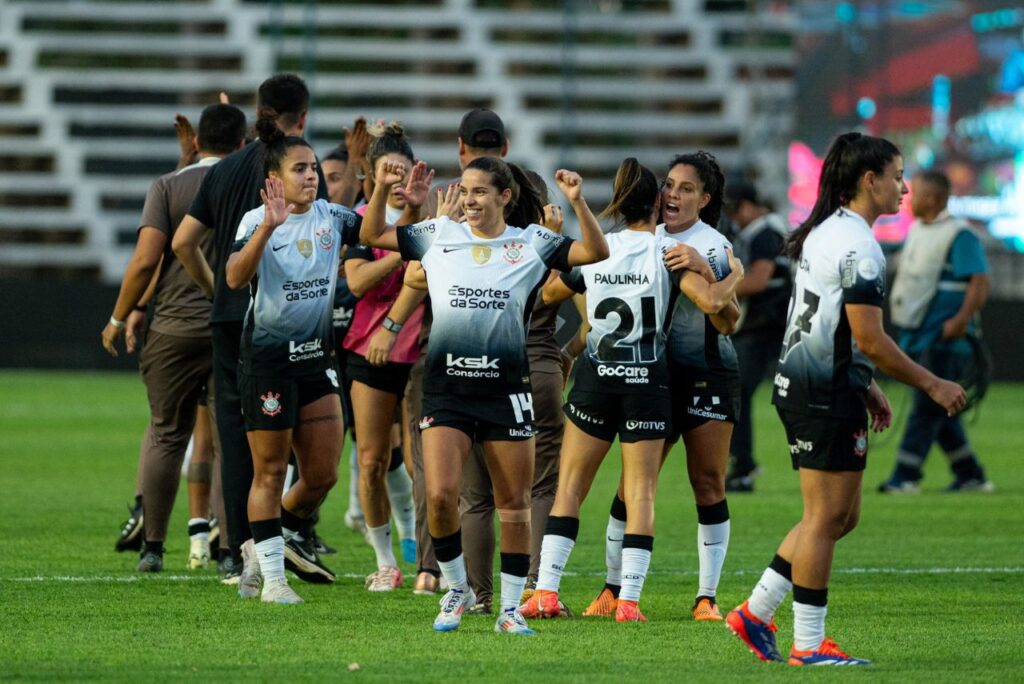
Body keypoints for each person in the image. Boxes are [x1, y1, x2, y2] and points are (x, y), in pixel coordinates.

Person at [725, 132, 966, 666]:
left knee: (839, 517)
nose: (904, 187)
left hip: (815, 381)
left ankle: (755, 612)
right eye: (898, 176)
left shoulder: (827, 231)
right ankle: (809, 645)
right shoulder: (860, 248)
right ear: (869, 180)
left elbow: (826, 324)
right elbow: (871, 340)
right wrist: (932, 383)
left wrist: (868, 386)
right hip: (822, 391)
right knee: (824, 518)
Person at [360, 156, 609, 635]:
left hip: (506, 394)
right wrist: (380, 188)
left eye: (479, 192)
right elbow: (372, 236)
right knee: (438, 496)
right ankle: (457, 589)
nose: (469, 201)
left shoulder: (531, 243)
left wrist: (578, 202)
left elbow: (594, 254)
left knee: (513, 505)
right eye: (465, 191)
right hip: (448, 392)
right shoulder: (438, 234)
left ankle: (511, 609)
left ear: (504, 196)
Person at [520, 158, 743, 623]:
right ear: (656, 198)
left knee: (703, 482)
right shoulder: (664, 251)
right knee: (636, 488)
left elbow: (728, 320)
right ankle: (620, 593)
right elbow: (714, 302)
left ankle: (704, 595)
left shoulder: (705, 246)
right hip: (651, 379)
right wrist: (731, 275)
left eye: (685, 189)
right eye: (669, 186)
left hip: (696, 375)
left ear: (704, 199)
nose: (674, 195)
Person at [173, 74, 337, 588]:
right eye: (303, 170)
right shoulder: (285, 173)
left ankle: (239, 549)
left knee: (235, 441)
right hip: (262, 329)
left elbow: (184, 243)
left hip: (234, 317)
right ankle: (261, 560)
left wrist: (212, 292)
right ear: (303, 116)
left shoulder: (223, 170)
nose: (309, 176)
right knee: (261, 450)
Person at [101, 103, 247, 572]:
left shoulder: (167, 185)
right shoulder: (248, 182)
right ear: (242, 145)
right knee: (230, 438)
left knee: (166, 434)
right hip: (231, 325)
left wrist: (121, 317)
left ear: (197, 143)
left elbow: (146, 260)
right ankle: (229, 551)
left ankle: (153, 548)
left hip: (172, 327)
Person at [223, 114, 363, 604]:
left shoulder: (334, 216)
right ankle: (274, 581)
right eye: (300, 168)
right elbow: (235, 277)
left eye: (313, 168)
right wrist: (267, 228)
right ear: (274, 180)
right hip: (267, 363)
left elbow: (382, 235)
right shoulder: (254, 221)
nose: (311, 176)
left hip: (316, 360)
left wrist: (388, 191)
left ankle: (259, 543)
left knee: (322, 474)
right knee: (268, 471)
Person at [344, 123, 424, 591]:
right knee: (372, 460)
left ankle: (431, 561)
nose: (395, 178)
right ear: (371, 176)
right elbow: (356, 282)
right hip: (369, 349)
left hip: (420, 350)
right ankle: (385, 560)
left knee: (420, 463)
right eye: (385, 171)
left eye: (402, 169)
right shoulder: (359, 219)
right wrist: (402, 251)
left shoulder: (430, 212)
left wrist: (413, 228)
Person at [879, 170, 992, 493]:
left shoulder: (960, 234)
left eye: (916, 195)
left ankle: (905, 475)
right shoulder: (917, 230)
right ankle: (971, 473)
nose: (910, 201)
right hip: (919, 333)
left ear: (932, 198)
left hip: (946, 340)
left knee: (927, 408)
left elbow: (980, 282)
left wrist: (960, 320)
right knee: (940, 407)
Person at [723, 180, 792, 492]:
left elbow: (758, 280)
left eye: (735, 209)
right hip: (774, 323)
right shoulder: (768, 230)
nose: (733, 216)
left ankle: (743, 465)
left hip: (766, 324)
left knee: (734, 388)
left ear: (750, 206)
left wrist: (717, 289)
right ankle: (742, 463)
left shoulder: (765, 233)